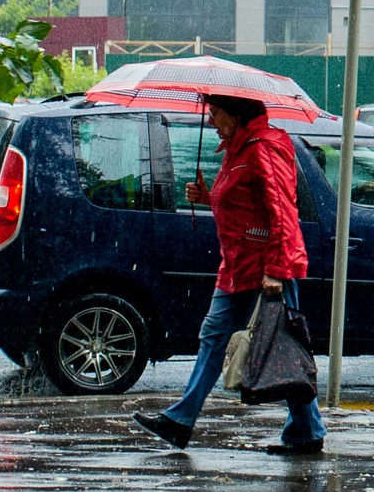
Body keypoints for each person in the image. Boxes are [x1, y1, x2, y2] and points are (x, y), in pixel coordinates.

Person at [134, 93, 326, 456]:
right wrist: (207, 198)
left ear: (235, 115)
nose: (211, 121)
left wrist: (277, 270)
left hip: (266, 266)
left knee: (280, 346)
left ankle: (307, 430)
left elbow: (282, 211)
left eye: (216, 113)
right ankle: (180, 420)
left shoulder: (262, 148)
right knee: (215, 338)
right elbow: (243, 203)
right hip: (237, 267)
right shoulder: (237, 148)